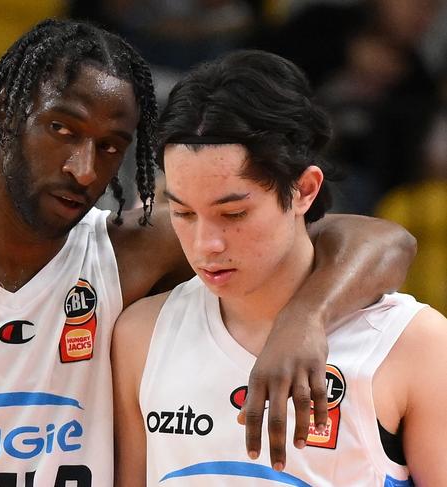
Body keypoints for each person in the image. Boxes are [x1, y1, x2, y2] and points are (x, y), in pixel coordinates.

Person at [0, 19, 415, 487]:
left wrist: (305, 317)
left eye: (112, 145)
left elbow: (380, 239)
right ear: (10, 112)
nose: (82, 168)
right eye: (63, 129)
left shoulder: (130, 250)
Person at [112, 50, 447, 486]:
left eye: (234, 214)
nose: (205, 244)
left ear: (304, 190)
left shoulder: (414, 343)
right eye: (184, 214)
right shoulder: (140, 335)